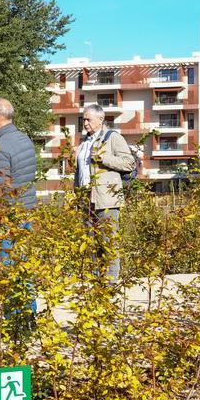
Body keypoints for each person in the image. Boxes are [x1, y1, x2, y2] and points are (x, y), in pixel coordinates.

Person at [0, 97, 39, 325]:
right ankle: (28, 318)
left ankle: (13, 322)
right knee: (24, 269)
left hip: (7, 217)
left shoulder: (0, 147)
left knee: (6, 270)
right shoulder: (23, 139)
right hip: (26, 211)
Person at [75, 104, 135, 280]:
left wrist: (103, 158)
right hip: (85, 199)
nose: (85, 123)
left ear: (100, 119)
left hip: (106, 199)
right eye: (83, 119)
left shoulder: (112, 138)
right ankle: (96, 282)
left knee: (108, 242)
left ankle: (110, 284)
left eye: (88, 119)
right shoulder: (84, 142)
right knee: (90, 242)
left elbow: (129, 163)